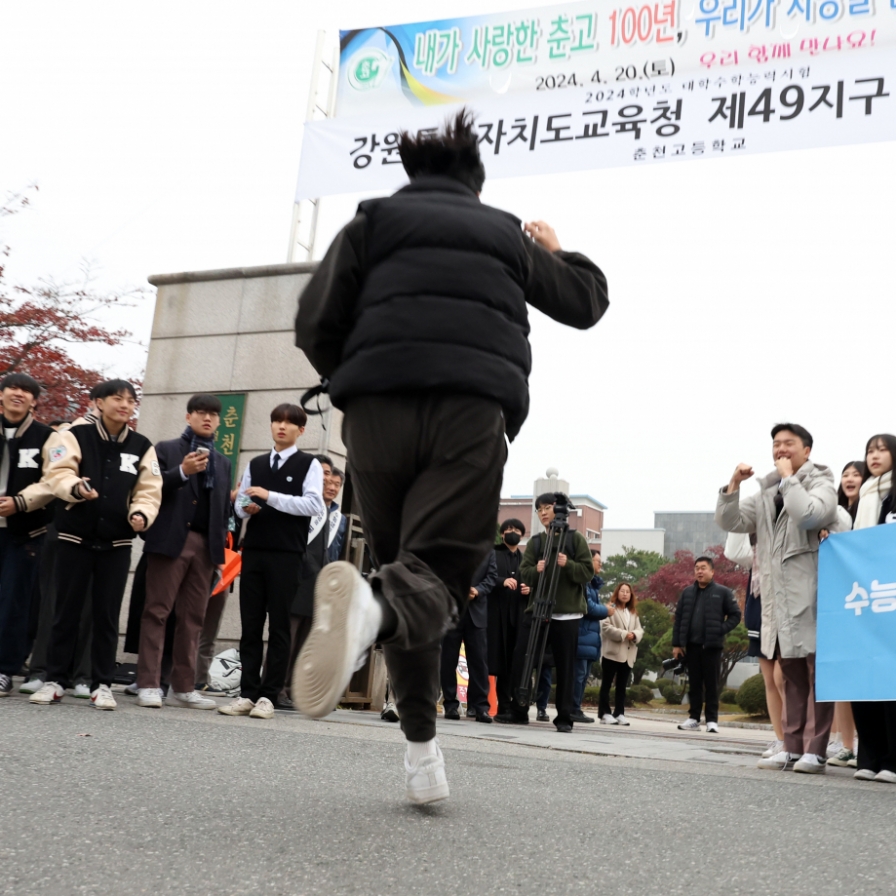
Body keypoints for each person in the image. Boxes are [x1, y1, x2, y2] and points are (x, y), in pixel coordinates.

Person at [292, 109, 608, 803]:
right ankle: (369, 608)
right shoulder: (504, 232)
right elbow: (586, 305)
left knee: (411, 573)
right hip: (469, 411)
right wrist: (559, 251)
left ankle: (421, 756)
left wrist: (358, 374)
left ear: (412, 175)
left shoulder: (369, 224)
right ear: (477, 180)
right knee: (431, 575)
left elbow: (313, 320)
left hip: (375, 415)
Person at [29, 379, 162, 710]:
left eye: (131, 400)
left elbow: (149, 489)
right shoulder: (73, 436)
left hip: (117, 543)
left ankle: (102, 684)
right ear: (97, 403)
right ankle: (55, 680)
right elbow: (57, 473)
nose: (126, 405)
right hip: (74, 538)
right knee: (65, 611)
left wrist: (141, 514)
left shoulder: (142, 445)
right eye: (118, 398)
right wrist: (76, 489)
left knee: (106, 615)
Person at [716, 423, 839, 774]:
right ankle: (791, 746)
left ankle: (816, 750)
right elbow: (732, 521)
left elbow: (810, 514)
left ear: (807, 450)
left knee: (817, 678)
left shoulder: (821, 481)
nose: (780, 449)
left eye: (788, 444)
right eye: (776, 444)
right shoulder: (767, 490)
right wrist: (733, 486)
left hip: (813, 597)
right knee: (792, 677)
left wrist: (789, 479)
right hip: (778, 602)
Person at [217, 403, 324, 720]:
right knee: (250, 625)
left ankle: (268, 696)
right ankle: (247, 694)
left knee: (279, 626)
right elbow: (242, 506)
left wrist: (268, 495)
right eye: (277, 420)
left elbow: (314, 504)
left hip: (287, 554)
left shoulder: (310, 465)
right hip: (255, 550)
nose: (282, 426)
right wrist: (244, 505)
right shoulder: (256, 462)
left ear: (300, 430)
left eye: (290, 423)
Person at [135, 394, 233, 710]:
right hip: (171, 540)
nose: (207, 418)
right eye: (201, 413)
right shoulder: (165, 449)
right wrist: (181, 471)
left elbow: (221, 510)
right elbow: (148, 488)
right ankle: (149, 683)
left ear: (219, 421)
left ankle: (184, 686)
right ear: (188, 416)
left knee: (193, 618)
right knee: (157, 611)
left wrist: (218, 552)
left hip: (206, 546)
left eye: (213, 414)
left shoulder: (223, 461)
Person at [503, 493, 594, 733]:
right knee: (522, 659)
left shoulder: (576, 540)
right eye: (539, 509)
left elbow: (587, 573)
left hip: (567, 614)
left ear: (559, 510)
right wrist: (536, 569)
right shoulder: (535, 543)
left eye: (548, 507)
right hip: (537, 610)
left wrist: (569, 565)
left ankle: (564, 717)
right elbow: (525, 572)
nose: (543, 512)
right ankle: (518, 710)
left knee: (565, 668)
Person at [0, 373, 56, 697]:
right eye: (13, 388)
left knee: (14, 603)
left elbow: (54, 480)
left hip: (25, 533)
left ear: (34, 400)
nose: (18, 394)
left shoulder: (46, 436)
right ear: (2, 394)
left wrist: (20, 502)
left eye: (26, 391)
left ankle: (6, 669)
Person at [849, 434, 896, 783]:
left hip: (889, 600)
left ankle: (893, 760)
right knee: (863, 677)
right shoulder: (861, 498)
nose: (874, 456)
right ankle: (869, 756)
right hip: (865, 604)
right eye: (870, 450)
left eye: (882, 449)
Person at [281, 454, 343, 708]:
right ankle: (276, 687)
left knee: (306, 642)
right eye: (324, 474)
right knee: (288, 636)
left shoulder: (337, 515)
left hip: (319, 587)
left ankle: (294, 688)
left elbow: (334, 551)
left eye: (334, 479)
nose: (329, 482)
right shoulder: (305, 503)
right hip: (298, 580)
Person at [672, 556, 741, 733]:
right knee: (694, 684)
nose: (699, 571)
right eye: (697, 568)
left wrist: (720, 629)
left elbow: (735, 615)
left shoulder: (723, 592)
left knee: (711, 684)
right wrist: (677, 644)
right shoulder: (687, 592)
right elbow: (678, 619)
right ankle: (694, 718)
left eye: (703, 568)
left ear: (712, 571)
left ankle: (712, 720)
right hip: (692, 646)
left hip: (712, 646)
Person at [826, 461, 864, 769]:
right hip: (841, 603)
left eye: (857, 474)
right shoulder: (835, 514)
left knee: (866, 680)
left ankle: (866, 745)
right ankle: (846, 745)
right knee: (842, 680)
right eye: (846, 474)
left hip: (867, 603)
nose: (850, 479)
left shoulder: (872, 513)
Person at [440, 548, 498, 723]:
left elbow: (492, 577)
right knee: (448, 660)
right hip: (453, 612)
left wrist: (478, 590)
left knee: (479, 662)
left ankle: (480, 707)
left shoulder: (489, 551)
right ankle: (450, 704)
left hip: (477, 614)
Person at [489, 519, 530, 720]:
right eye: (508, 529)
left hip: (518, 615)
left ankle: (510, 705)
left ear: (522, 534)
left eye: (516, 530)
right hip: (496, 615)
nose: (512, 532)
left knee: (514, 663)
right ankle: (493, 704)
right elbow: (485, 577)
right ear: (502, 533)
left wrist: (528, 589)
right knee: (494, 661)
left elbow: (533, 583)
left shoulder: (525, 559)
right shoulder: (493, 554)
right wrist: (501, 581)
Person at [571, 550, 612, 723]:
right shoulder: (583, 584)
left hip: (589, 638)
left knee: (583, 676)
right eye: (597, 561)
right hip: (581, 636)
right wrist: (607, 610)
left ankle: (576, 708)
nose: (600, 564)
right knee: (578, 676)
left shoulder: (592, 585)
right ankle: (572, 708)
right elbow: (588, 608)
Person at [598, 583, 643, 725]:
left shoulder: (633, 613)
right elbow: (605, 627)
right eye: (622, 591)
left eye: (627, 592)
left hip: (628, 655)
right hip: (612, 653)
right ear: (617, 593)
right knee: (606, 684)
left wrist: (634, 635)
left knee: (622, 686)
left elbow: (640, 629)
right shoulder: (610, 609)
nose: (625, 594)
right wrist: (624, 634)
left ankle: (619, 712)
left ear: (631, 595)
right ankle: (604, 713)